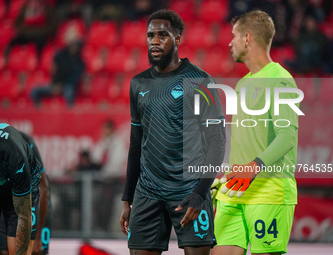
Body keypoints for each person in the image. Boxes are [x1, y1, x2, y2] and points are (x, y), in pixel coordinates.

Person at [119, 10, 226, 255]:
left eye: (162, 35)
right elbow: (136, 143)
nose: (154, 41)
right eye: (150, 36)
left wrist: (200, 193)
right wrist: (128, 198)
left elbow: (217, 142)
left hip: (188, 191)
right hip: (147, 192)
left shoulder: (201, 81)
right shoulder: (138, 84)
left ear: (177, 39)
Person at [211, 10, 299, 255]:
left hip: (269, 191)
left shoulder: (281, 81)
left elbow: (286, 138)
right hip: (235, 190)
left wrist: (252, 167)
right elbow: (249, 141)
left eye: (234, 35)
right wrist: (228, 174)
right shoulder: (243, 83)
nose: (230, 42)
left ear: (247, 38)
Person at [0, 130, 51, 255]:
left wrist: (36, 235)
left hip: (25, 193)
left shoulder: (16, 154)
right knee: (2, 250)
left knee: (23, 249)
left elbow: (24, 215)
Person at [30, 40, 85, 107]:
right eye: (73, 46)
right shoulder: (61, 56)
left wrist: (61, 86)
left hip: (67, 86)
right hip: (55, 84)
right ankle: (38, 107)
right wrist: (56, 84)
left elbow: (74, 79)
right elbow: (54, 71)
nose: (74, 48)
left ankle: (70, 111)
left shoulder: (80, 62)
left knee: (69, 92)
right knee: (35, 91)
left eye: (76, 46)